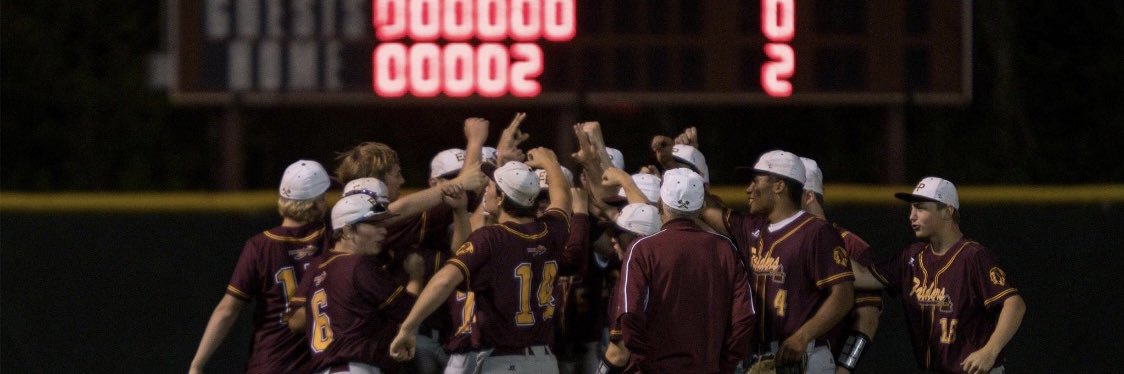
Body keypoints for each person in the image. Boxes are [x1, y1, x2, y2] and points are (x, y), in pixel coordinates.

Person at [389, 147, 576, 373]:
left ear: (501, 198)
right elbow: (563, 197)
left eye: (490, 187)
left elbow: (444, 281)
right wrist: (551, 163)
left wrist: (408, 327)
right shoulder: (551, 231)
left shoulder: (492, 237)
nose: (485, 191)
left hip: (505, 361)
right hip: (545, 361)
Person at [699, 150, 855, 373]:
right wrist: (680, 167)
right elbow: (704, 206)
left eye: (756, 181)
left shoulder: (816, 232)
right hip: (758, 356)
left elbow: (843, 295)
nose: (749, 189)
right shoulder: (751, 227)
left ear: (779, 186)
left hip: (804, 354)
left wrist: (803, 335)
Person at [851, 177, 1026, 374]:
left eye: (920, 207)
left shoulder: (973, 256)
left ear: (947, 211)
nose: (912, 216)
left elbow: (1015, 304)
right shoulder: (912, 257)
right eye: (911, 208)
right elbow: (862, 275)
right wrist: (826, 244)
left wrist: (989, 351)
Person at [601, 168, 756, 373]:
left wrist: (645, 364)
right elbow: (744, 318)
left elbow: (630, 316)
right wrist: (724, 365)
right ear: (701, 207)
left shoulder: (642, 249)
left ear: (659, 204)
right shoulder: (725, 249)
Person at [189, 160, 331, 374]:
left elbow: (227, 309)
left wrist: (197, 364)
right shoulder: (331, 238)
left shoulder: (260, 246)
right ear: (316, 203)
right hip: (318, 365)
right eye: (324, 196)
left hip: (270, 363)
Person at [300, 193, 417, 374]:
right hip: (353, 367)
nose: (383, 230)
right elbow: (409, 309)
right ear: (347, 231)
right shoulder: (357, 264)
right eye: (373, 223)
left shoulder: (317, 267)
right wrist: (417, 278)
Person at [797, 157, 882, 373]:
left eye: (789, 191)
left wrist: (845, 368)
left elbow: (867, 320)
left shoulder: (851, 245)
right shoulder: (775, 240)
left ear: (809, 196)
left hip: (822, 359)